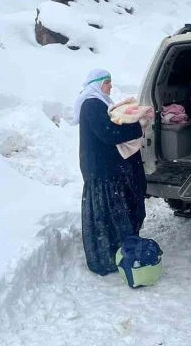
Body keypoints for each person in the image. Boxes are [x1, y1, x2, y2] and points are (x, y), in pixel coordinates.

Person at [71, 68, 149, 275]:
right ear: (96, 84)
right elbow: (109, 133)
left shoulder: (99, 103)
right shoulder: (92, 104)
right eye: (107, 82)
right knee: (106, 215)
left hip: (105, 168)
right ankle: (106, 258)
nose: (110, 86)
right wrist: (137, 127)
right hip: (101, 170)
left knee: (113, 213)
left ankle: (118, 252)